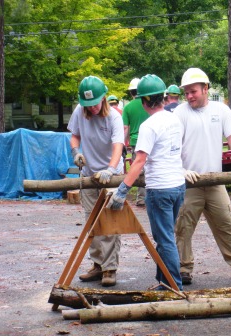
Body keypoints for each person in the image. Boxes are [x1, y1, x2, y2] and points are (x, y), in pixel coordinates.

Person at [174, 67, 231, 285]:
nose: (189, 96)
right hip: (190, 183)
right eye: (186, 92)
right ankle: (183, 268)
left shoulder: (221, 110)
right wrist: (181, 170)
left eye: (193, 91)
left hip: (215, 181)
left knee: (227, 223)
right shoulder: (180, 113)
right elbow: (173, 145)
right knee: (183, 226)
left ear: (206, 88)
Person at [107, 74, 185, 290]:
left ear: (144, 101)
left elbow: (139, 160)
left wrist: (123, 190)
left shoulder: (149, 126)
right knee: (166, 236)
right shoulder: (175, 119)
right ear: (162, 97)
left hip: (160, 187)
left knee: (165, 239)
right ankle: (164, 281)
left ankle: (173, 286)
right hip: (178, 185)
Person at [67, 75, 124, 287]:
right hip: (89, 175)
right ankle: (98, 265)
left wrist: (111, 169)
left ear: (104, 98)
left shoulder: (114, 117)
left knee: (109, 222)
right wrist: (76, 152)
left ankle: (110, 268)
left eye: (94, 103)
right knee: (92, 222)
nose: (91, 108)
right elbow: (75, 136)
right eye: (87, 105)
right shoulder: (79, 111)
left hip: (111, 175)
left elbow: (118, 145)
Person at [122, 77, 149, 206]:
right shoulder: (149, 104)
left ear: (131, 92)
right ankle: (151, 196)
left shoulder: (128, 108)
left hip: (135, 142)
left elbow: (125, 128)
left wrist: (124, 144)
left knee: (139, 170)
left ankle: (141, 198)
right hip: (150, 140)